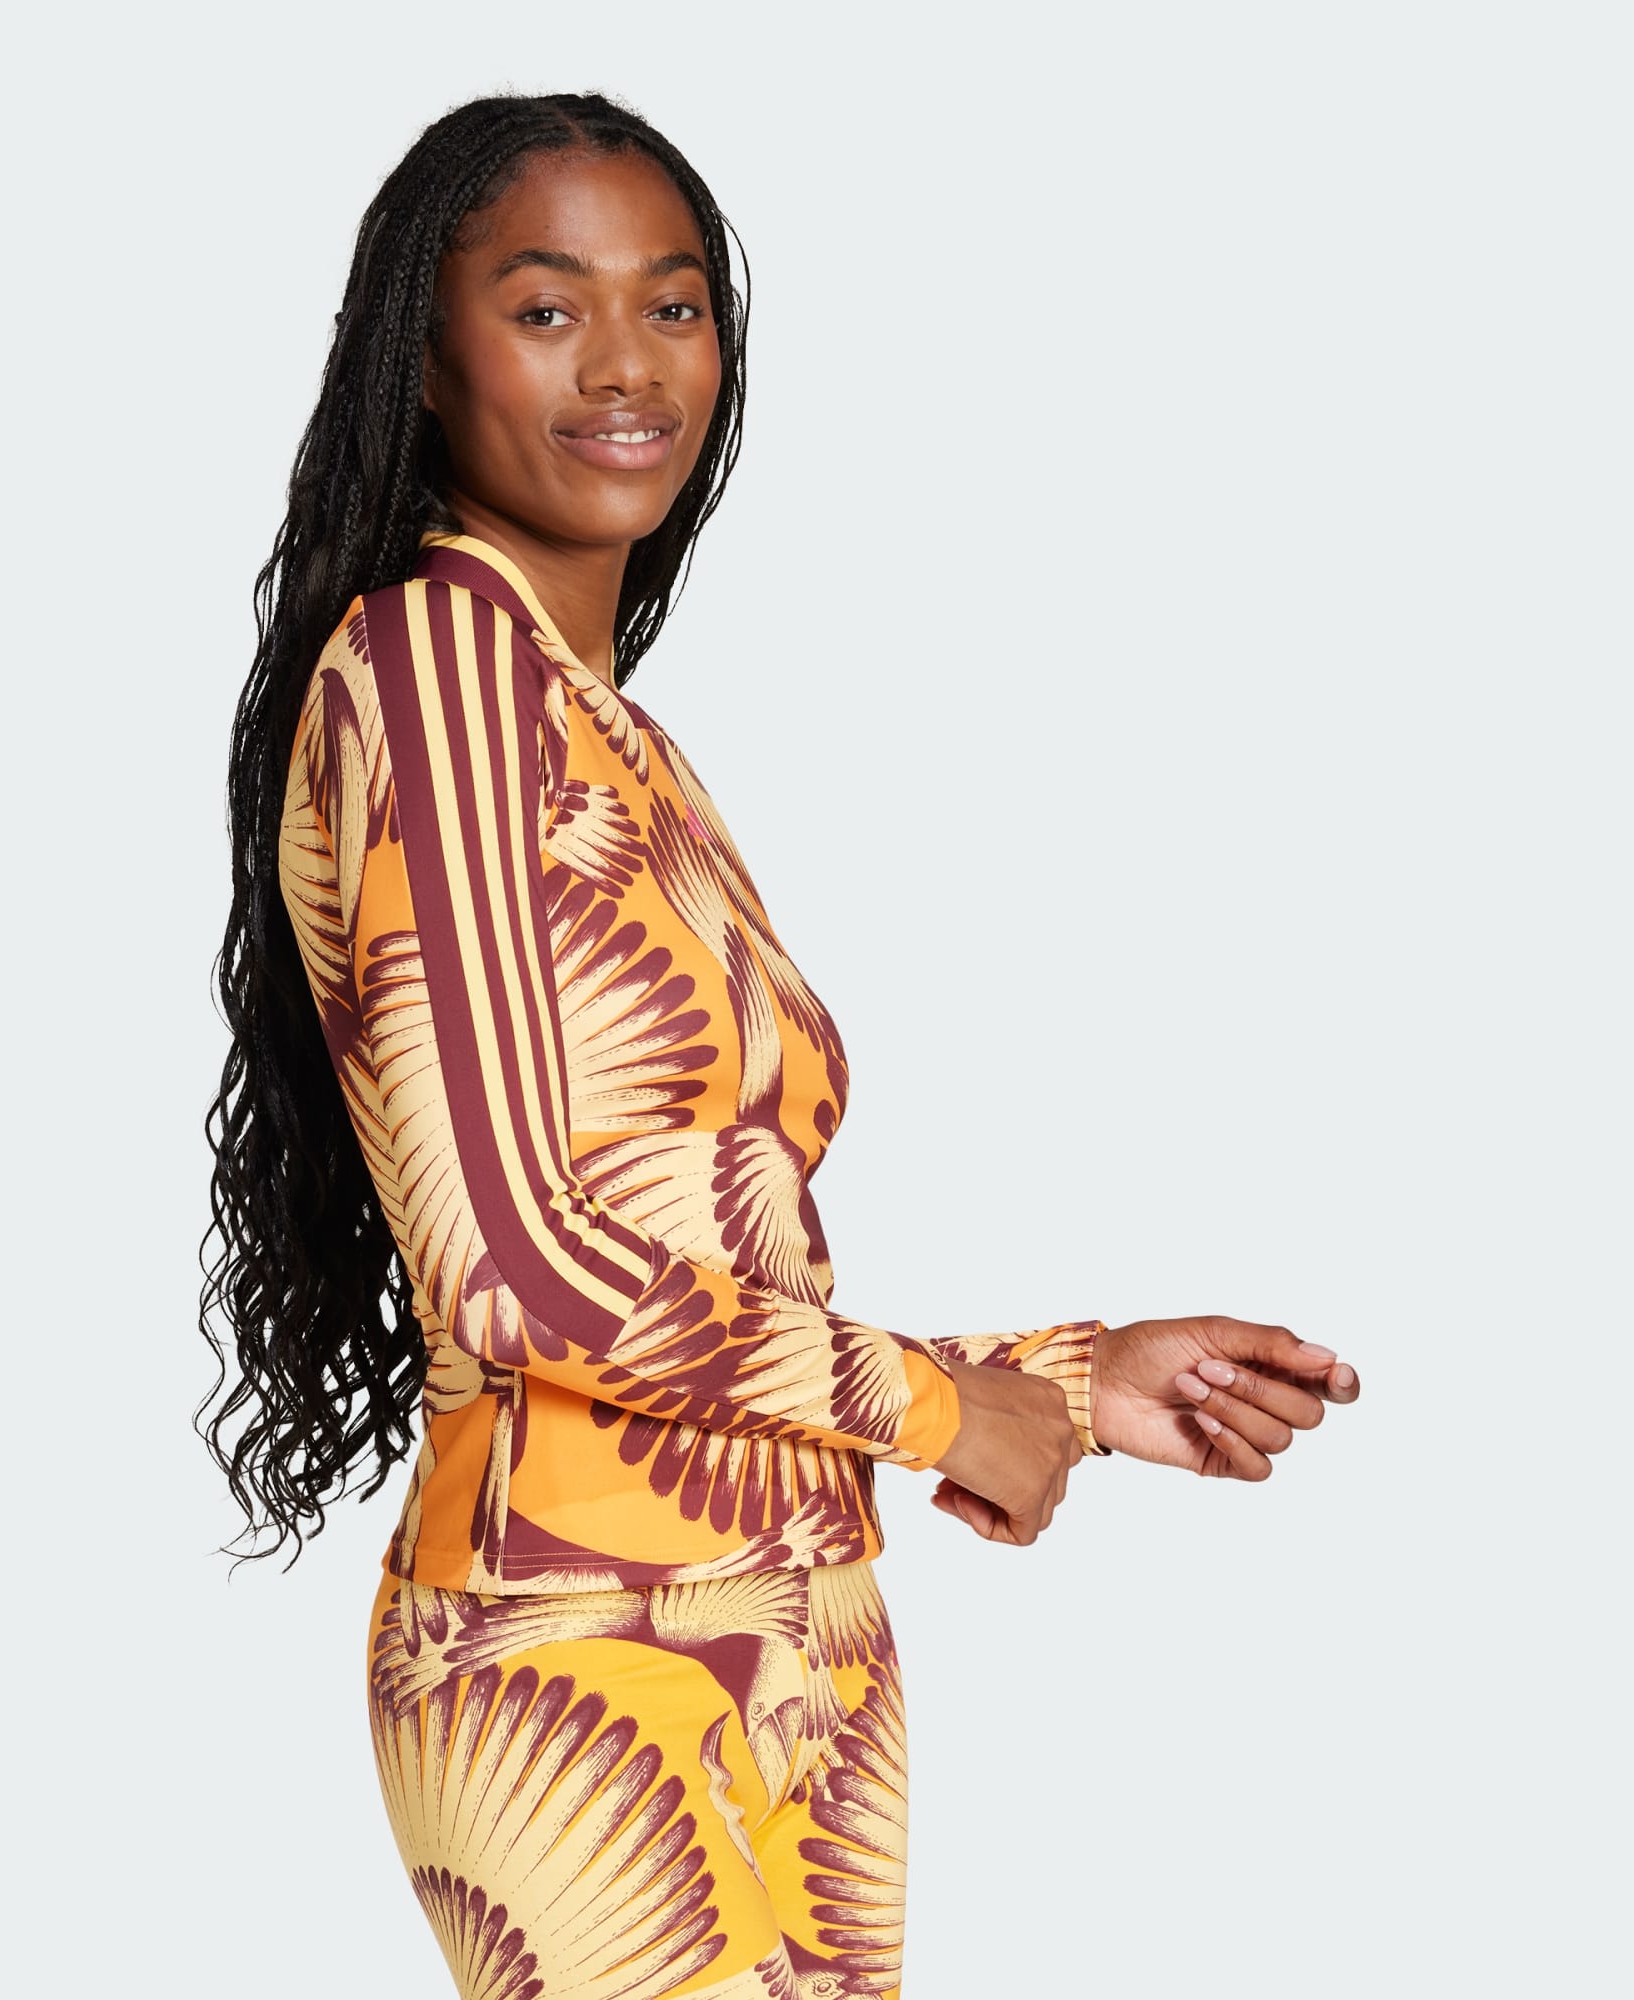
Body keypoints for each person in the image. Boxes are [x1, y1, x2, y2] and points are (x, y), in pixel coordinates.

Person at [200, 90, 1361, 1999]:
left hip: (795, 1633)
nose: (626, 366)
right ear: (423, 354)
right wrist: (942, 1412)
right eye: (547, 308)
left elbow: (689, 1260)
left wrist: (1059, 1383)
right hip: (587, 1653)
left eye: (672, 305)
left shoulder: (603, 730)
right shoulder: (434, 670)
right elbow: (511, 1270)